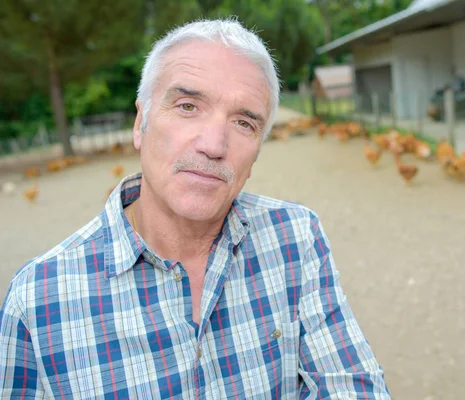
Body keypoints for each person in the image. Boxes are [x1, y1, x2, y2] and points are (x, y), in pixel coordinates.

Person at [0, 19, 390, 398]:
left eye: (243, 122)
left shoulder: (296, 236)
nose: (214, 144)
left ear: (257, 151)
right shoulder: (37, 301)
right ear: (141, 124)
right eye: (188, 106)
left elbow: (352, 386)